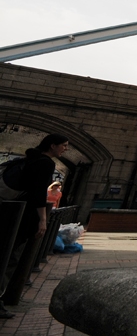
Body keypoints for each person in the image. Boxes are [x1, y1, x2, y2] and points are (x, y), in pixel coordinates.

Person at [1, 134, 69, 319]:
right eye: (63, 145)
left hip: (9, 212)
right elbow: (38, 192)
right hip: (23, 217)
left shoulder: (29, 158)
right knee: (11, 256)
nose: (66, 149)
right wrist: (43, 219)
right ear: (52, 145)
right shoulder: (46, 163)